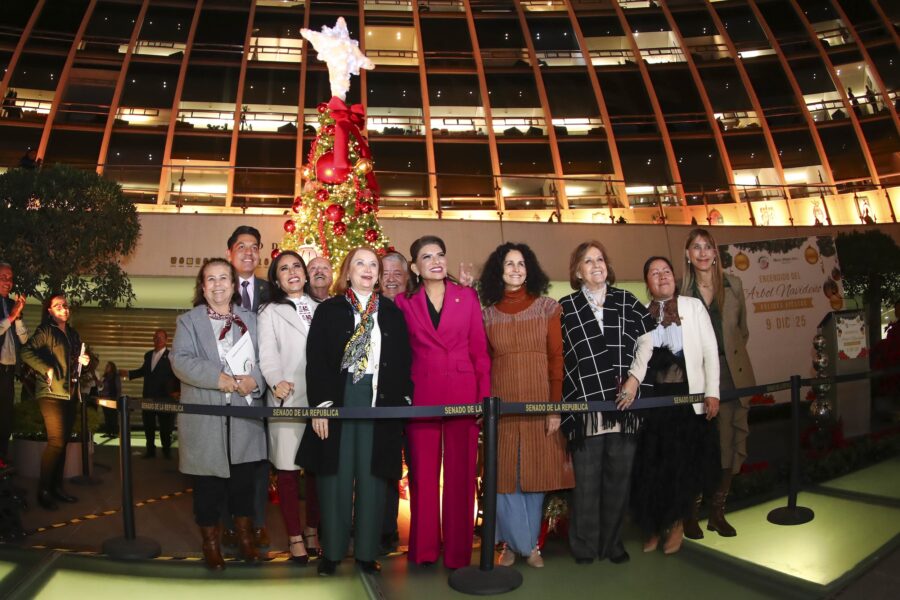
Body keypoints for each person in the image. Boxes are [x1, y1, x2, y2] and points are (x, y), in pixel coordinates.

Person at [296, 247, 411, 576]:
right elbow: (315, 361)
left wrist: (402, 401)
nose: (367, 269)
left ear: (378, 274)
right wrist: (320, 407)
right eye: (359, 263)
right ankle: (331, 552)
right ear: (347, 272)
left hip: (379, 404)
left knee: (374, 480)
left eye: (373, 264)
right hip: (339, 400)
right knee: (336, 478)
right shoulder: (330, 310)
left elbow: (402, 361)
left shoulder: (390, 313)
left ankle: (365, 552)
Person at [393, 235, 491, 569]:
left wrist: (483, 399)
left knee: (462, 476)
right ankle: (424, 549)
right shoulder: (404, 303)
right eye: (427, 256)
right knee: (422, 476)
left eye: (440, 255)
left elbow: (480, 351)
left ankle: (459, 552)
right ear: (414, 266)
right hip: (422, 397)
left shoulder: (467, 296)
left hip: (464, 395)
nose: (436, 261)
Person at [478, 242, 574, 568]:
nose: (516, 269)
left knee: (534, 479)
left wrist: (554, 407)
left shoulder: (548, 307)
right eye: (509, 264)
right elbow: (484, 362)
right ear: (498, 271)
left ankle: (530, 546)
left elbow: (556, 359)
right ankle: (512, 545)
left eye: (521, 263)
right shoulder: (487, 315)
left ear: (529, 269)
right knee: (505, 478)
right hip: (501, 406)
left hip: (539, 401)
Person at [559, 241, 654, 565]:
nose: (596, 265)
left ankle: (613, 543)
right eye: (588, 261)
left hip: (624, 404)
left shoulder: (627, 301)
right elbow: (559, 359)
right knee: (585, 484)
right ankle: (584, 546)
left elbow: (646, 344)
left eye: (600, 259)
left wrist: (634, 380)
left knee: (618, 479)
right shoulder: (565, 308)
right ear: (577, 271)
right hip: (585, 408)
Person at [171, 258, 266, 570]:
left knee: (244, 486)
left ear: (234, 285)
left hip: (243, 418)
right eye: (210, 279)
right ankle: (210, 544)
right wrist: (217, 377)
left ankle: (245, 539)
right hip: (204, 421)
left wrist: (257, 381)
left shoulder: (252, 320)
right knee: (207, 491)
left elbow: (267, 362)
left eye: (223, 278)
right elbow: (181, 361)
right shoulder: (189, 321)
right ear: (202, 286)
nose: (217, 285)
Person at [631, 257, 720, 555]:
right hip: (655, 401)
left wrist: (713, 392)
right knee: (654, 467)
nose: (662, 276)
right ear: (647, 283)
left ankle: (679, 525)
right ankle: (654, 527)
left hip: (688, 397)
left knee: (683, 465)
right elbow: (640, 360)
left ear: (675, 277)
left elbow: (710, 350)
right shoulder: (642, 315)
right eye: (654, 273)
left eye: (666, 271)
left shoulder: (693, 307)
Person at [682, 228, 756, 538]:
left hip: (733, 376)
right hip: (696, 379)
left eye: (707, 247)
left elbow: (743, 332)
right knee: (699, 447)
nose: (702, 253)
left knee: (730, 447)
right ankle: (691, 515)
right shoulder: (681, 292)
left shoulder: (734, 286)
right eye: (696, 247)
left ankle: (717, 513)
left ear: (715, 253)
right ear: (688, 254)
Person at [257, 251, 316, 565]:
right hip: (287, 397)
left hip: (321, 401)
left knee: (319, 471)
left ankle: (311, 529)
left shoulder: (324, 307)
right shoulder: (269, 311)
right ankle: (294, 536)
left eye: (297, 266)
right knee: (289, 471)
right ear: (276, 279)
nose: (292, 272)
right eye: (284, 268)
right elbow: (266, 354)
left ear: (305, 274)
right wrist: (276, 381)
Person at [20, 292, 91, 510]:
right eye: (58, 306)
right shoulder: (46, 331)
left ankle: (57, 488)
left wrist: (84, 361)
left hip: (70, 393)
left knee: (62, 443)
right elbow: (25, 352)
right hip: (50, 393)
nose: (64, 309)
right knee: (56, 442)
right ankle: (43, 490)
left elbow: (78, 362)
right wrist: (46, 368)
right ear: (49, 311)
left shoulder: (72, 333)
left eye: (66, 305)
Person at [225, 225, 271, 549]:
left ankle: (256, 524)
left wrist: (259, 377)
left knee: (258, 461)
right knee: (228, 460)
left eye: (254, 246)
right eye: (241, 246)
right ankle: (229, 524)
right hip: (227, 390)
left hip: (263, 388)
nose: (248, 252)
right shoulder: (218, 288)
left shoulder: (272, 291)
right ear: (230, 252)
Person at [377, 250, 410, 554]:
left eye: (396, 273)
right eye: (384, 273)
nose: (390, 279)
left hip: (417, 402)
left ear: (407, 278)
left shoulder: (415, 307)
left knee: (419, 468)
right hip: (383, 403)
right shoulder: (370, 310)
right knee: (386, 468)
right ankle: (385, 529)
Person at [120, 330, 179, 458]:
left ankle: (166, 451)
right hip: (148, 396)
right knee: (149, 426)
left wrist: (177, 391)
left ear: (166, 340)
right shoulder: (148, 355)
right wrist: (129, 374)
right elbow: (144, 371)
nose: (157, 340)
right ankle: (150, 451)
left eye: (160, 338)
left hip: (165, 397)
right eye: (155, 338)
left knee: (165, 427)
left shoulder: (171, 356)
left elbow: (177, 375)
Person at [0, 263, 28, 463]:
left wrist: (17, 315)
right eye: (3, 277)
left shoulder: (11, 304)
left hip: (9, 371)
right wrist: (11, 316)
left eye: (10, 278)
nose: (8, 282)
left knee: (6, 418)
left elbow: (24, 339)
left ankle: (2, 459)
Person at [100, 361, 121, 437]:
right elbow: (101, 386)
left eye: (108, 366)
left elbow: (118, 388)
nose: (106, 368)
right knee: (107, 416)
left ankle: (114, 432)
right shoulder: (104, 376)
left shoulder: (115, 376)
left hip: (112, 398)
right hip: (104, 398)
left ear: (112, 368)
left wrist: (118, 398)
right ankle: (108, 431)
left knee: (113, 416)